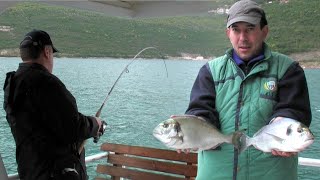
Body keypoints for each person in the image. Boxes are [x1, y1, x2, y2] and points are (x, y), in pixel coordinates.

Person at [182, 0, 312, 180]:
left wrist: (284, 124)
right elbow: (201, 110)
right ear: (228, 33)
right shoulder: (209, 71)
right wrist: (194, 126)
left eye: (250, 28)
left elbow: (294, 110)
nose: (242, 37)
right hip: (215, 174)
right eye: (236, 29)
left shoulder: (288, 70)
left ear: (264, 31)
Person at [3, 29, 104, 180]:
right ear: (47, 52)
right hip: (55, 173)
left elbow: (44, 123)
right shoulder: (47, 83)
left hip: (30, 171)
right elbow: (72, 127)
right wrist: (95, 124)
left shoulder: (12, 84)